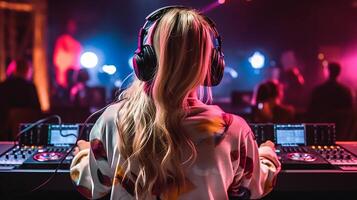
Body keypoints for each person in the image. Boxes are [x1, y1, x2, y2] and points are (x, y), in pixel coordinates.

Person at [70, 6, 281, 200]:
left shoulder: (111, 121)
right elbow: (256, 186)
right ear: (212, 65)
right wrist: (267, 154)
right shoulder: (233, 130)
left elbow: (92, 185)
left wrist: (83, 153)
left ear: (146, 60)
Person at [308, 62, 355, 140]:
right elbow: (350, 112)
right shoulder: (346, 91)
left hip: (320, 132)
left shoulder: (319, 90)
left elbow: (311, 112)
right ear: (339, 72)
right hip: (341, 132)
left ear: (327, 71)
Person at [0, 58, 41, 140]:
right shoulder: (30, 87)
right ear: (27, 70)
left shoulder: (3, 86)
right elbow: (37, 110)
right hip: (28, 134)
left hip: (4, 133)